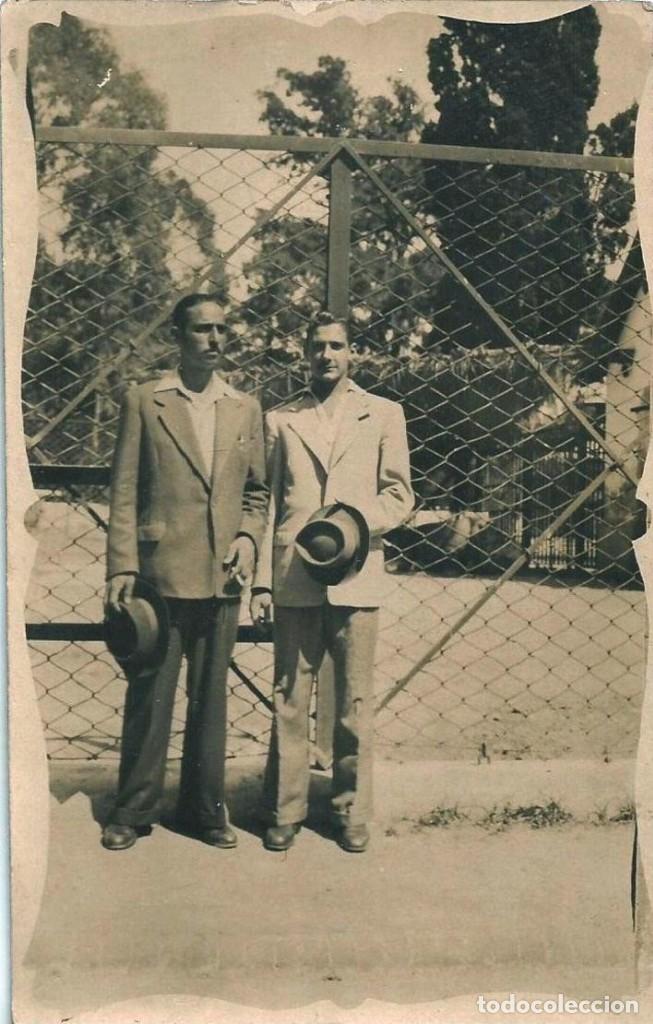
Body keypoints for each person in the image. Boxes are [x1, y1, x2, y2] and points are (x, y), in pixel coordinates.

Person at [102, 294, 268, 851]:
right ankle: (132, 809)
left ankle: (204, 810)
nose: (214, 340)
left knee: (211, 697)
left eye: (222, 329)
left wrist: (248, 538)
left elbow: (257, 493)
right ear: (179, 336)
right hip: (159, 574)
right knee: (151, 693)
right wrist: (123, 563)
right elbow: (124, 491)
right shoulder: (146, 400)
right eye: (202, 330)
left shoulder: (244, 407)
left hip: (223, 577)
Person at [250, 311, 414, 853]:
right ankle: (285, 809)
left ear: (352, 353)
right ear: (305, 353)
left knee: (354, 703)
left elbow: (400, 495)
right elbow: (269, 502)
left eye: (337, 345)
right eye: (317, 346)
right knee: (290, 698)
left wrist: (353, 525)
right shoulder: (281, 419)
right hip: (295, 576)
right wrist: (261, 583)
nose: (327, 355)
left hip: (357, 574)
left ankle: (350, 810)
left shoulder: (383, 414)